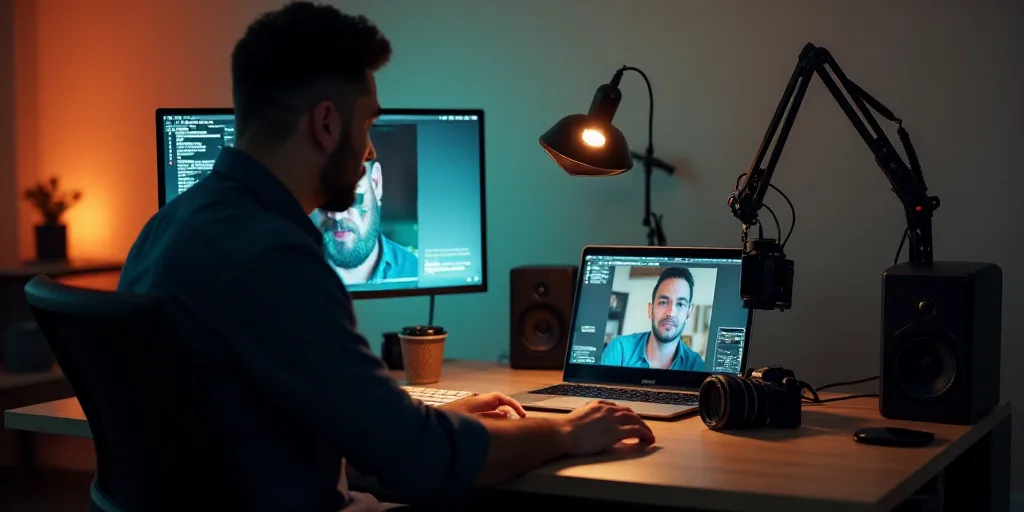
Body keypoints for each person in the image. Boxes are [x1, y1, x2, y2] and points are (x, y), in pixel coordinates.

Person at [117, 2, 654, 511]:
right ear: (326, 124)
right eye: (369, 124)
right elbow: (423, 464)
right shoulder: (276, 260)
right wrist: (565, 429)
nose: (371, 150)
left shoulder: (166, 230)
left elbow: (253, 432)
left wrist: (412, 420)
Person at [310, 159, 418, 285]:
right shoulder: (290, 279)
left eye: (352, 197)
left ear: (376, 183)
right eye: (324, 197)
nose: (337, 215)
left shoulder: (414, 273)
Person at [601, 267, 705, 371]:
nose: (671, 313)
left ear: (689, 313)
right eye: (663, 303)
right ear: (650, 310)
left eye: (680, 304)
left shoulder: (696, 365)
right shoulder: (620, 349)